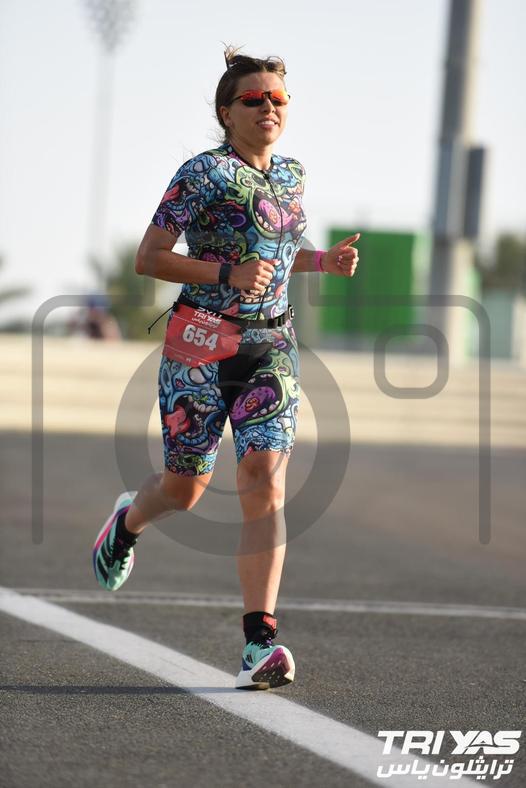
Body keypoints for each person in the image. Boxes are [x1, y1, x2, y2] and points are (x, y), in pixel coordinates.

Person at [92, 46, 359, 690]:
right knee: (184, 488)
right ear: (226, 112)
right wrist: (225, 274)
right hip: (200, 345)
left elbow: (277, 249)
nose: (269, 107)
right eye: (254, 99)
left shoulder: (292, 174)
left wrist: (320, 262)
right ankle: (127, 522)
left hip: (272, 347)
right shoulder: (202, 173)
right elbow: (150, 257)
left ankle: (258, 644)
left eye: (278, 98)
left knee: (264, 478)